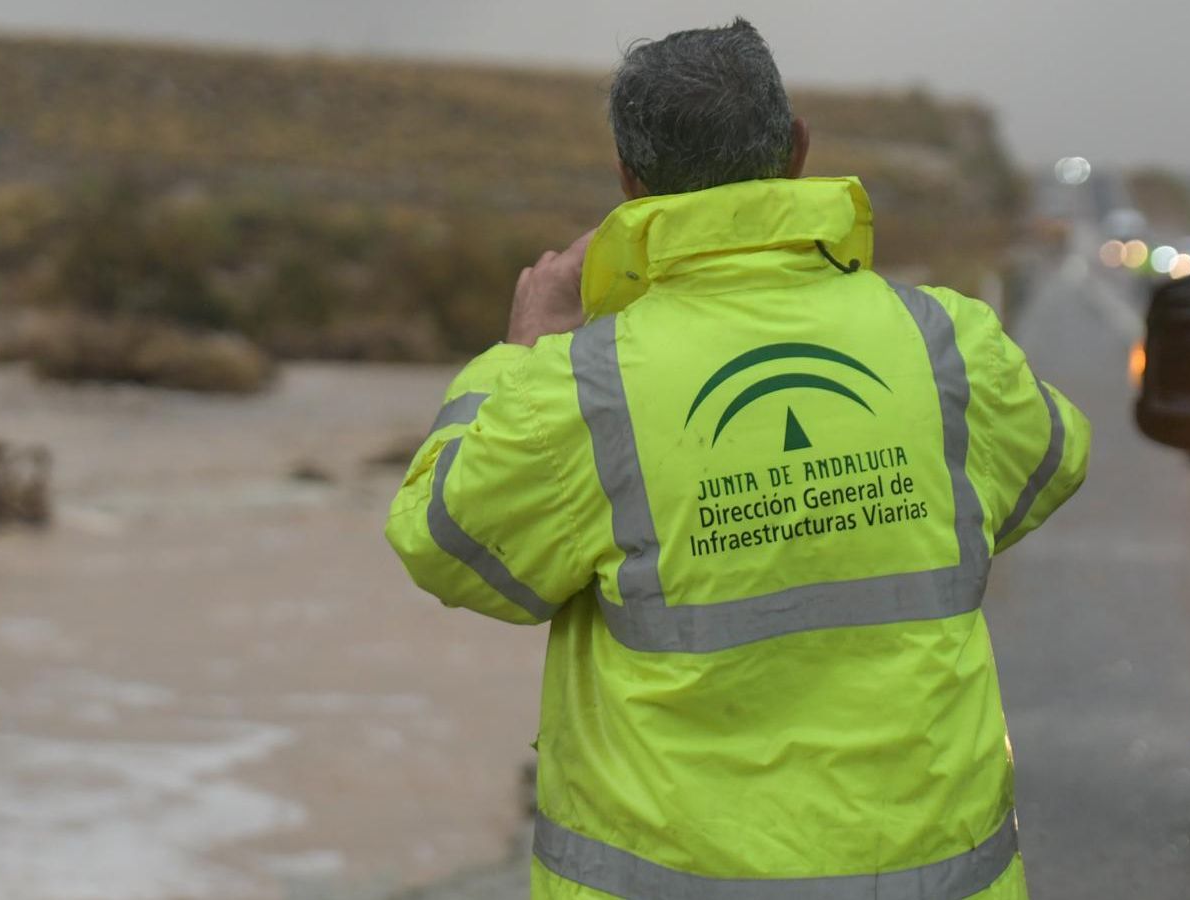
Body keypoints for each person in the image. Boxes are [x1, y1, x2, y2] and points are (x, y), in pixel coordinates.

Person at [385, 18, 1089, 900]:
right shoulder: (942, 340)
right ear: (798, 150)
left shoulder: (582, 388)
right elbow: (1053, 458)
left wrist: (520, 353)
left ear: (629, 181)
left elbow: (442, 539)